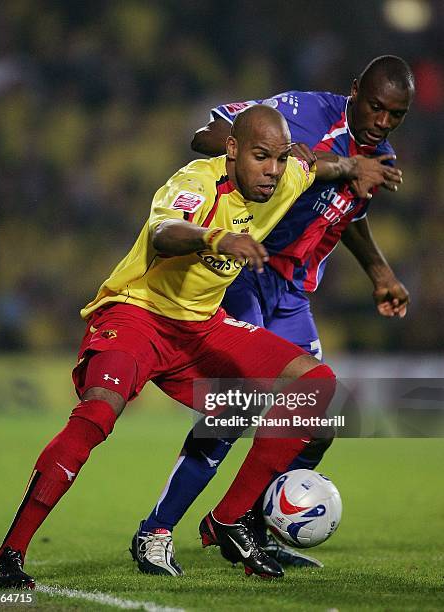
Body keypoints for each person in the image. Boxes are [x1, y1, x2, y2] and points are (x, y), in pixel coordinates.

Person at [0, 104, 398, 586]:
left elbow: (314, 167)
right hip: (138, 314)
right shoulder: (197, 182)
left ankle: (227, 521)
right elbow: (164, 233)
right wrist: (218, 239)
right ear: (232, 150)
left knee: (315, 384)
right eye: (261, 156)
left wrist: (351, 166)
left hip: (202, 327)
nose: (272, 170)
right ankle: (9, 556)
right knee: (97, 415)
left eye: (280, 158)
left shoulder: (285, 178)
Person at [131, 55, 414, 576]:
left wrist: (379, 271)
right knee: (244, 401)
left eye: (395, 115)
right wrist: (286, 155)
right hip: (246, 267)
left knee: (322, 419)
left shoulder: (381, 155)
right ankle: (156, 528)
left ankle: (245, 525)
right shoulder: (302, 112)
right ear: (354, 92)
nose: (382, 122)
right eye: (376, 108)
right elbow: (206, 137)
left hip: (291, 291)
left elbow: (345, 214)